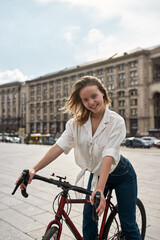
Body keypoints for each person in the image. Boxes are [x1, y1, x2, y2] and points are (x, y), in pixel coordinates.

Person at [17, 76, 141, 240]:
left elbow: (109, 154)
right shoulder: (76, 123)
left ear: (103, 94)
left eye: (94, 96)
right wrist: (34, 169)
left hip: (121, 174)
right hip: (96, 173)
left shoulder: (116, 121)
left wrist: (100, 189)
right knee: (88, 221)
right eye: (85, 99)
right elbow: (59, 146)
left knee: (128, 225)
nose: (91, 102)